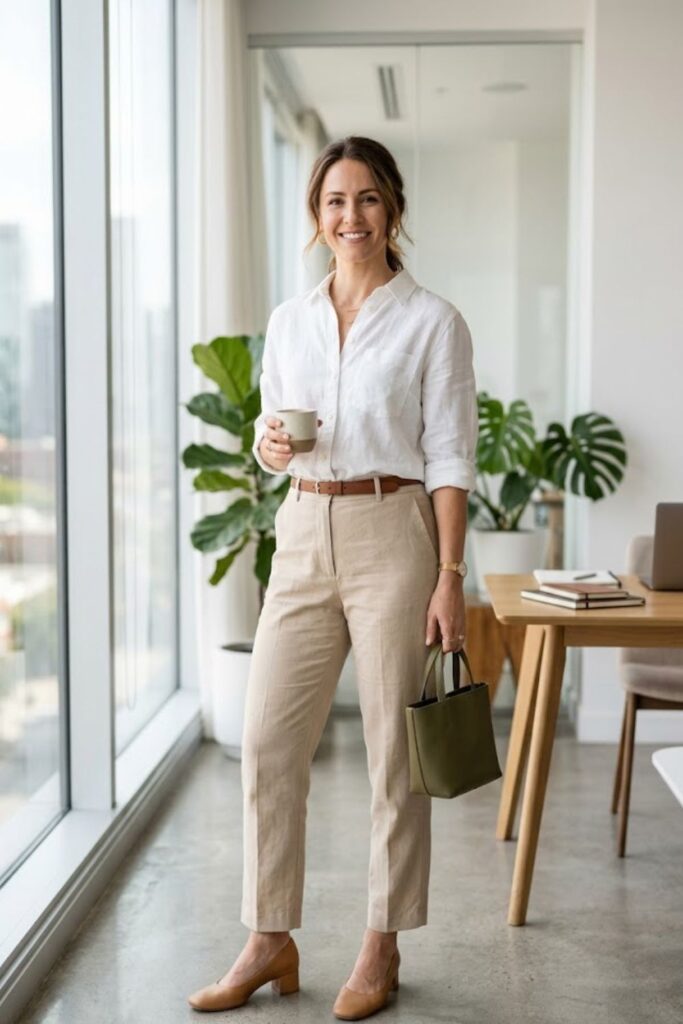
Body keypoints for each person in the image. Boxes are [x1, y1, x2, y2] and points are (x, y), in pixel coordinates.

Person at [188, 136, 477, 1019]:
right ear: (316, 217)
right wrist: (270, 445)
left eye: (367, 198)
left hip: (394, 531)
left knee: (393, 751)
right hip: (303, 529)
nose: (351, 217)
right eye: (334, 202)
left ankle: (381, 943)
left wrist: (449, 574)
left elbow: (449, 457)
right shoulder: (291, 320)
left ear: (393, 208)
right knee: (268, 739)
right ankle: (269, 937)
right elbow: (271, 430)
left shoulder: (433, 322)